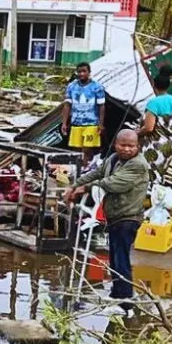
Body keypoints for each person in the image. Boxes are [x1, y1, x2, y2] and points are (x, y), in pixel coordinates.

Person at [63, 130, 150, 312]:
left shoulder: (138, 165)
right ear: (116, 145)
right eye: (123, 145)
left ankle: (126, 303)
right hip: (115, 216)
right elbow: (97, 173)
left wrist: (86, 188)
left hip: (128, 217)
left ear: (137, 147)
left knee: (121, 260)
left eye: (131, 146)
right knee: (114, 259)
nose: (126, 149)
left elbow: (115, 183)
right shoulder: (112, 159)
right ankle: (116, 295)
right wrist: (75, 185)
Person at [138, 66, 172, 183]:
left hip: (156, 144)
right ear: (168, 86)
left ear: (154, 85)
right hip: (171, 144)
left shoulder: (153, 103)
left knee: (149, 173)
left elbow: (149, 128)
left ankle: (147, 196)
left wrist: (136, 133)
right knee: (160, 172)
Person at [62, 62, 106, 165]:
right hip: (76, 123)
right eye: (79, 72)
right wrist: (64, 123)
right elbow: (67, 105)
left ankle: (85, 167)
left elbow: (101, 106)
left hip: (91, 123)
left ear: (89, 72)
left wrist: (101, 123)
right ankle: (77, 168)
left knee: (87, 148)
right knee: (76, 149)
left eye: (84, 71)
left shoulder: (97, 87)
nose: (81, 74)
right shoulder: (71, 86)